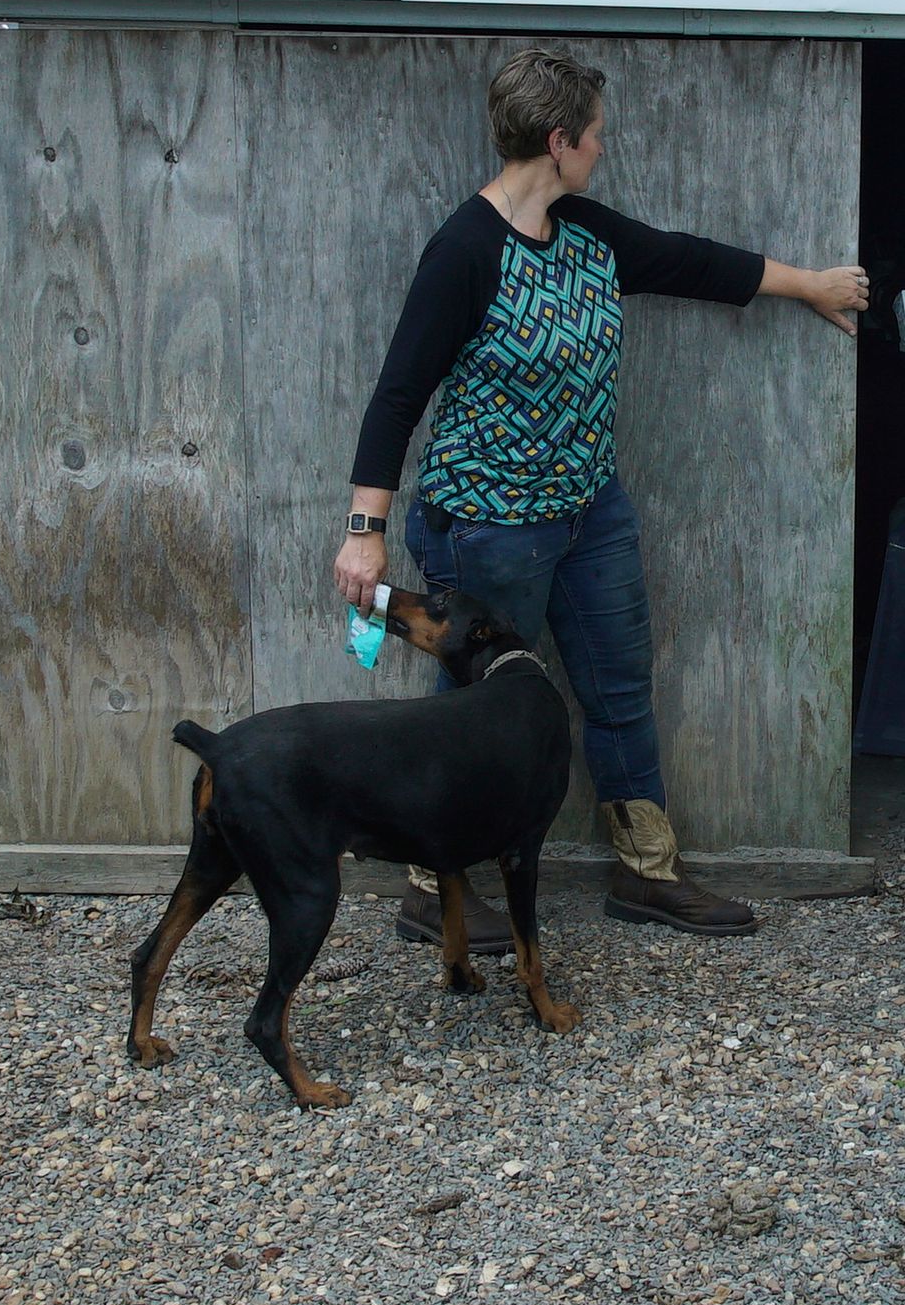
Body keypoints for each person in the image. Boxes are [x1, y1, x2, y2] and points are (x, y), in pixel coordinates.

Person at [339, 47, 867, 934]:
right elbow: (397, 395)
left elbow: (686, 261)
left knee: (620, 691)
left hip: (591, 516)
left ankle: (645, 873)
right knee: (474, 711)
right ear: (558, 141)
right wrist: (366, 529)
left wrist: (807, 284)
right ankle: (438, 891)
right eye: (594, 137)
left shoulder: (583, 231)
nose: (601, 149)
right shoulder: (464, 250)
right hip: (486, 529)